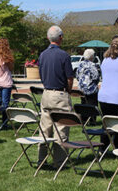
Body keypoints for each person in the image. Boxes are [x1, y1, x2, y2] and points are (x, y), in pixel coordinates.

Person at [37, 25, 74, 169]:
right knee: (61, 129)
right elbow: (69, 78)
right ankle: (59, 162)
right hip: (60, 93)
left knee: (45, 129)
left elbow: (41, 74)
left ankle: (42, 160)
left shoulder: (42, 54)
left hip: (46, 93)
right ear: (61, 38)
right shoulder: (64, 55)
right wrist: (68, 91)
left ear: (48, 38)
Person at [76, 48, 100, 123]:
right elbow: (96, 77)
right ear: (92, 57)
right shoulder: (94, 65)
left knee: (83, 103)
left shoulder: (80, 65)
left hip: (81, 89)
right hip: (91, 89)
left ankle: (84, 119)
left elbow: (77, 76)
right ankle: (92, 120)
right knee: (92, 104)